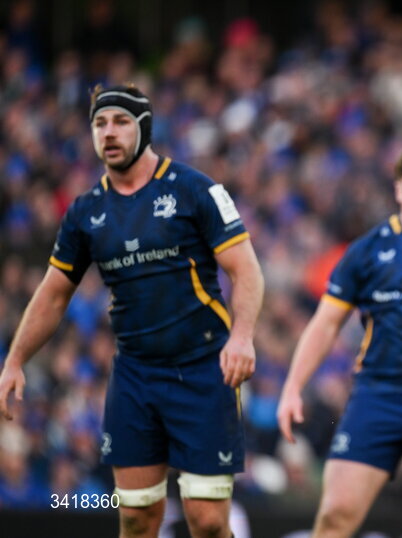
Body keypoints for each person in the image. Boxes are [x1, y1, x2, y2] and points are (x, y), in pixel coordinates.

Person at [0, 85, 264, 538]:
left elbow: (247, 271)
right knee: (138, 517)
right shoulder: (85, 212)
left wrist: (241, 337)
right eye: (100, 123)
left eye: (121, 121)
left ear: (144, 127)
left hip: (204, 370)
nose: (109, 132)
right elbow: (52, 295)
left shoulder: (195, 189)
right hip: (135, 376)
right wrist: (15, 359)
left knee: (207, 521)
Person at [276, 139, 402, 536]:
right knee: (335, 516)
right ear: (400, 190)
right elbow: (325, 323)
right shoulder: (368, 250)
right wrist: (293, 386)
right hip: (376, 396)